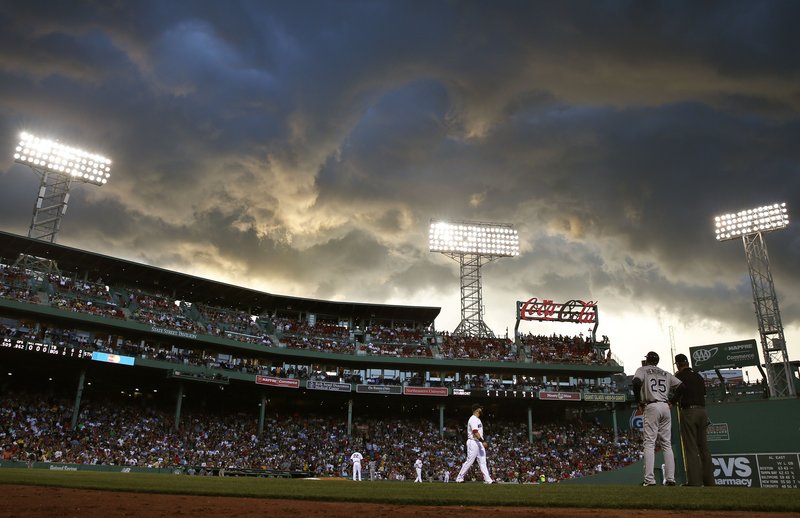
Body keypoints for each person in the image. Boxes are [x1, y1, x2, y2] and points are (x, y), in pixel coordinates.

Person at [632, 351, 684, 486]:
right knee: (666, 443)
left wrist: (639, 401)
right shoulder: (665, 373)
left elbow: (636, 383)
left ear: (647, 360)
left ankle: (649, 480)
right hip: (665, 406)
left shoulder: (642, 369)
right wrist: (673, 400)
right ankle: (671, 479)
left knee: (649, 443)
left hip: (652, 405)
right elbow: (682, 386)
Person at [673, 353, 715, 487]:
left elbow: (678, 391)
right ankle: (710, 482)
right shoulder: (698, 376)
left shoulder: (679, 376)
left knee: (691, 448)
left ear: (678, 364)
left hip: (689, 411)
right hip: (703, 411)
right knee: (704, 448)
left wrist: (672, 401)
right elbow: (703, 393)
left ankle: (695, 482)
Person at [455, 403, 493, 484]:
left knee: (483, 462)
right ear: (477, 410)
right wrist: (483, 441)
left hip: (479, 443)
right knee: (470, 461)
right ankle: (459, 478)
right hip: (473, 442)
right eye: (480, 408)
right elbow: (475, 431)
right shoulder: (473, 419)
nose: (481, 410)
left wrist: (481, 442)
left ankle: (488, 480)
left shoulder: (478, 419)